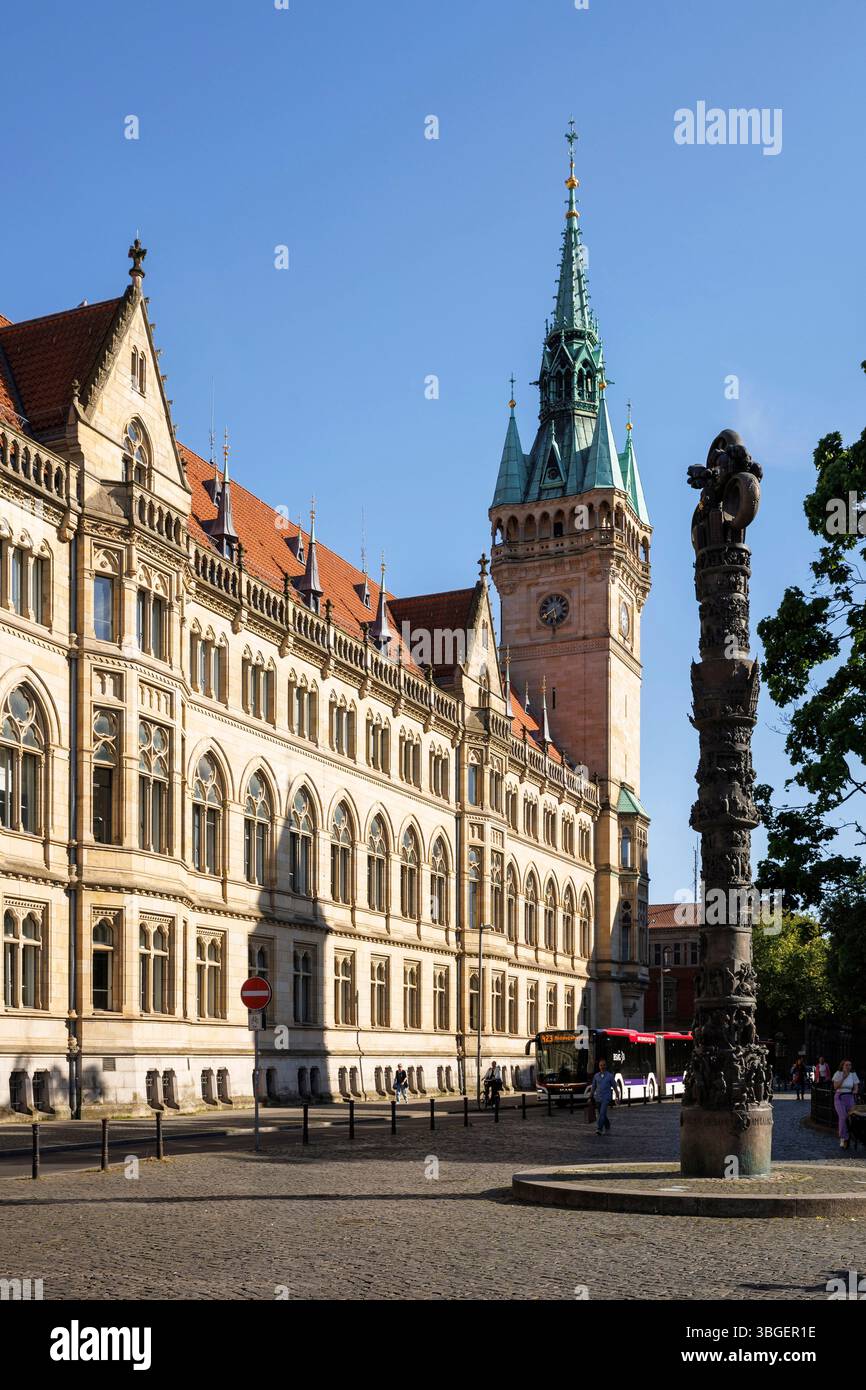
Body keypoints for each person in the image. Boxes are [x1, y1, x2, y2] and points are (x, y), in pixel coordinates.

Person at [832, 1060, 861, 1149]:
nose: (848, 1066)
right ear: (843, 1066)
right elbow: (835, 1087)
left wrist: (855, 1091)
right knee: (843, 1116)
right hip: (840, 1097)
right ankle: (843, 1137)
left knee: (853, 1117)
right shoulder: (838, 1073)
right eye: (847, 1065)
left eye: (850, 1065)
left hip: (850, 1097)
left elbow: (856, 1087)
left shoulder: (853, 1074)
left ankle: (851, 1135)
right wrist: (843, 1078)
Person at [591, 1057, 615, 1136]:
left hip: (606, 1098)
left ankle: (599, 1128)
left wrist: (617, 1097)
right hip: (598, 1098)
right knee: (602, 1114)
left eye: (604, 1065)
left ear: (606, 1066)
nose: (602, 1067)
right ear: (599, 1066)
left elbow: (615, 1087)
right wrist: (590, 1096)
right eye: (601, 1065)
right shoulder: (596, 1076)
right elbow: (593, 1087)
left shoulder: (610, 1076)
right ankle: (607, 1124)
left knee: (602, 1113)